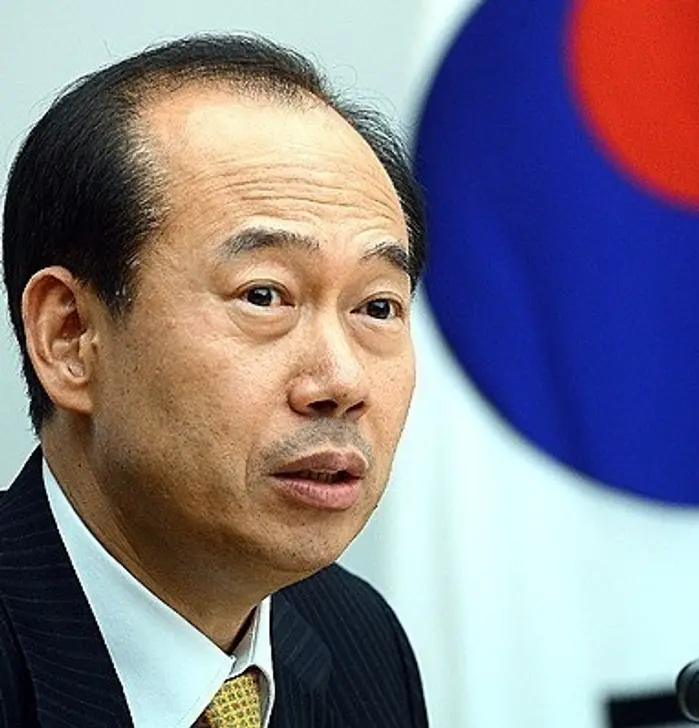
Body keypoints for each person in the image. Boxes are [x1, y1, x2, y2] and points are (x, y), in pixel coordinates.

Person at [0, 33, 428, 728]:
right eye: (264, 295)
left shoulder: (360, 642)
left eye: (377, 307)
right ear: (70, 336)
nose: (342, 381)